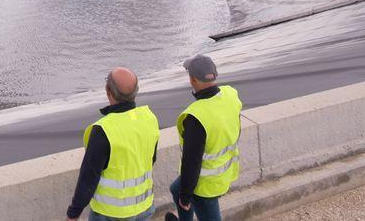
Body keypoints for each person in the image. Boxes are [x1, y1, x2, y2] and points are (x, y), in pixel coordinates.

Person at [67, 67, 159, 221]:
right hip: (144, 206)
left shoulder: (103, 130)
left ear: (108, 90)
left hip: (111, 214)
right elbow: (151, 159)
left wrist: (73, 213)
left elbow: (88, 178)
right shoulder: (149, 118)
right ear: (136, 91)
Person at [167, 55, 242, 221]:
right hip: (225, 170)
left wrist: (186, 197)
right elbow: (237, 129)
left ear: (193, 80)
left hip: (205, 184)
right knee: (175, 189)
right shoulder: (230, 95)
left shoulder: (196, 117)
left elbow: (191, 162)